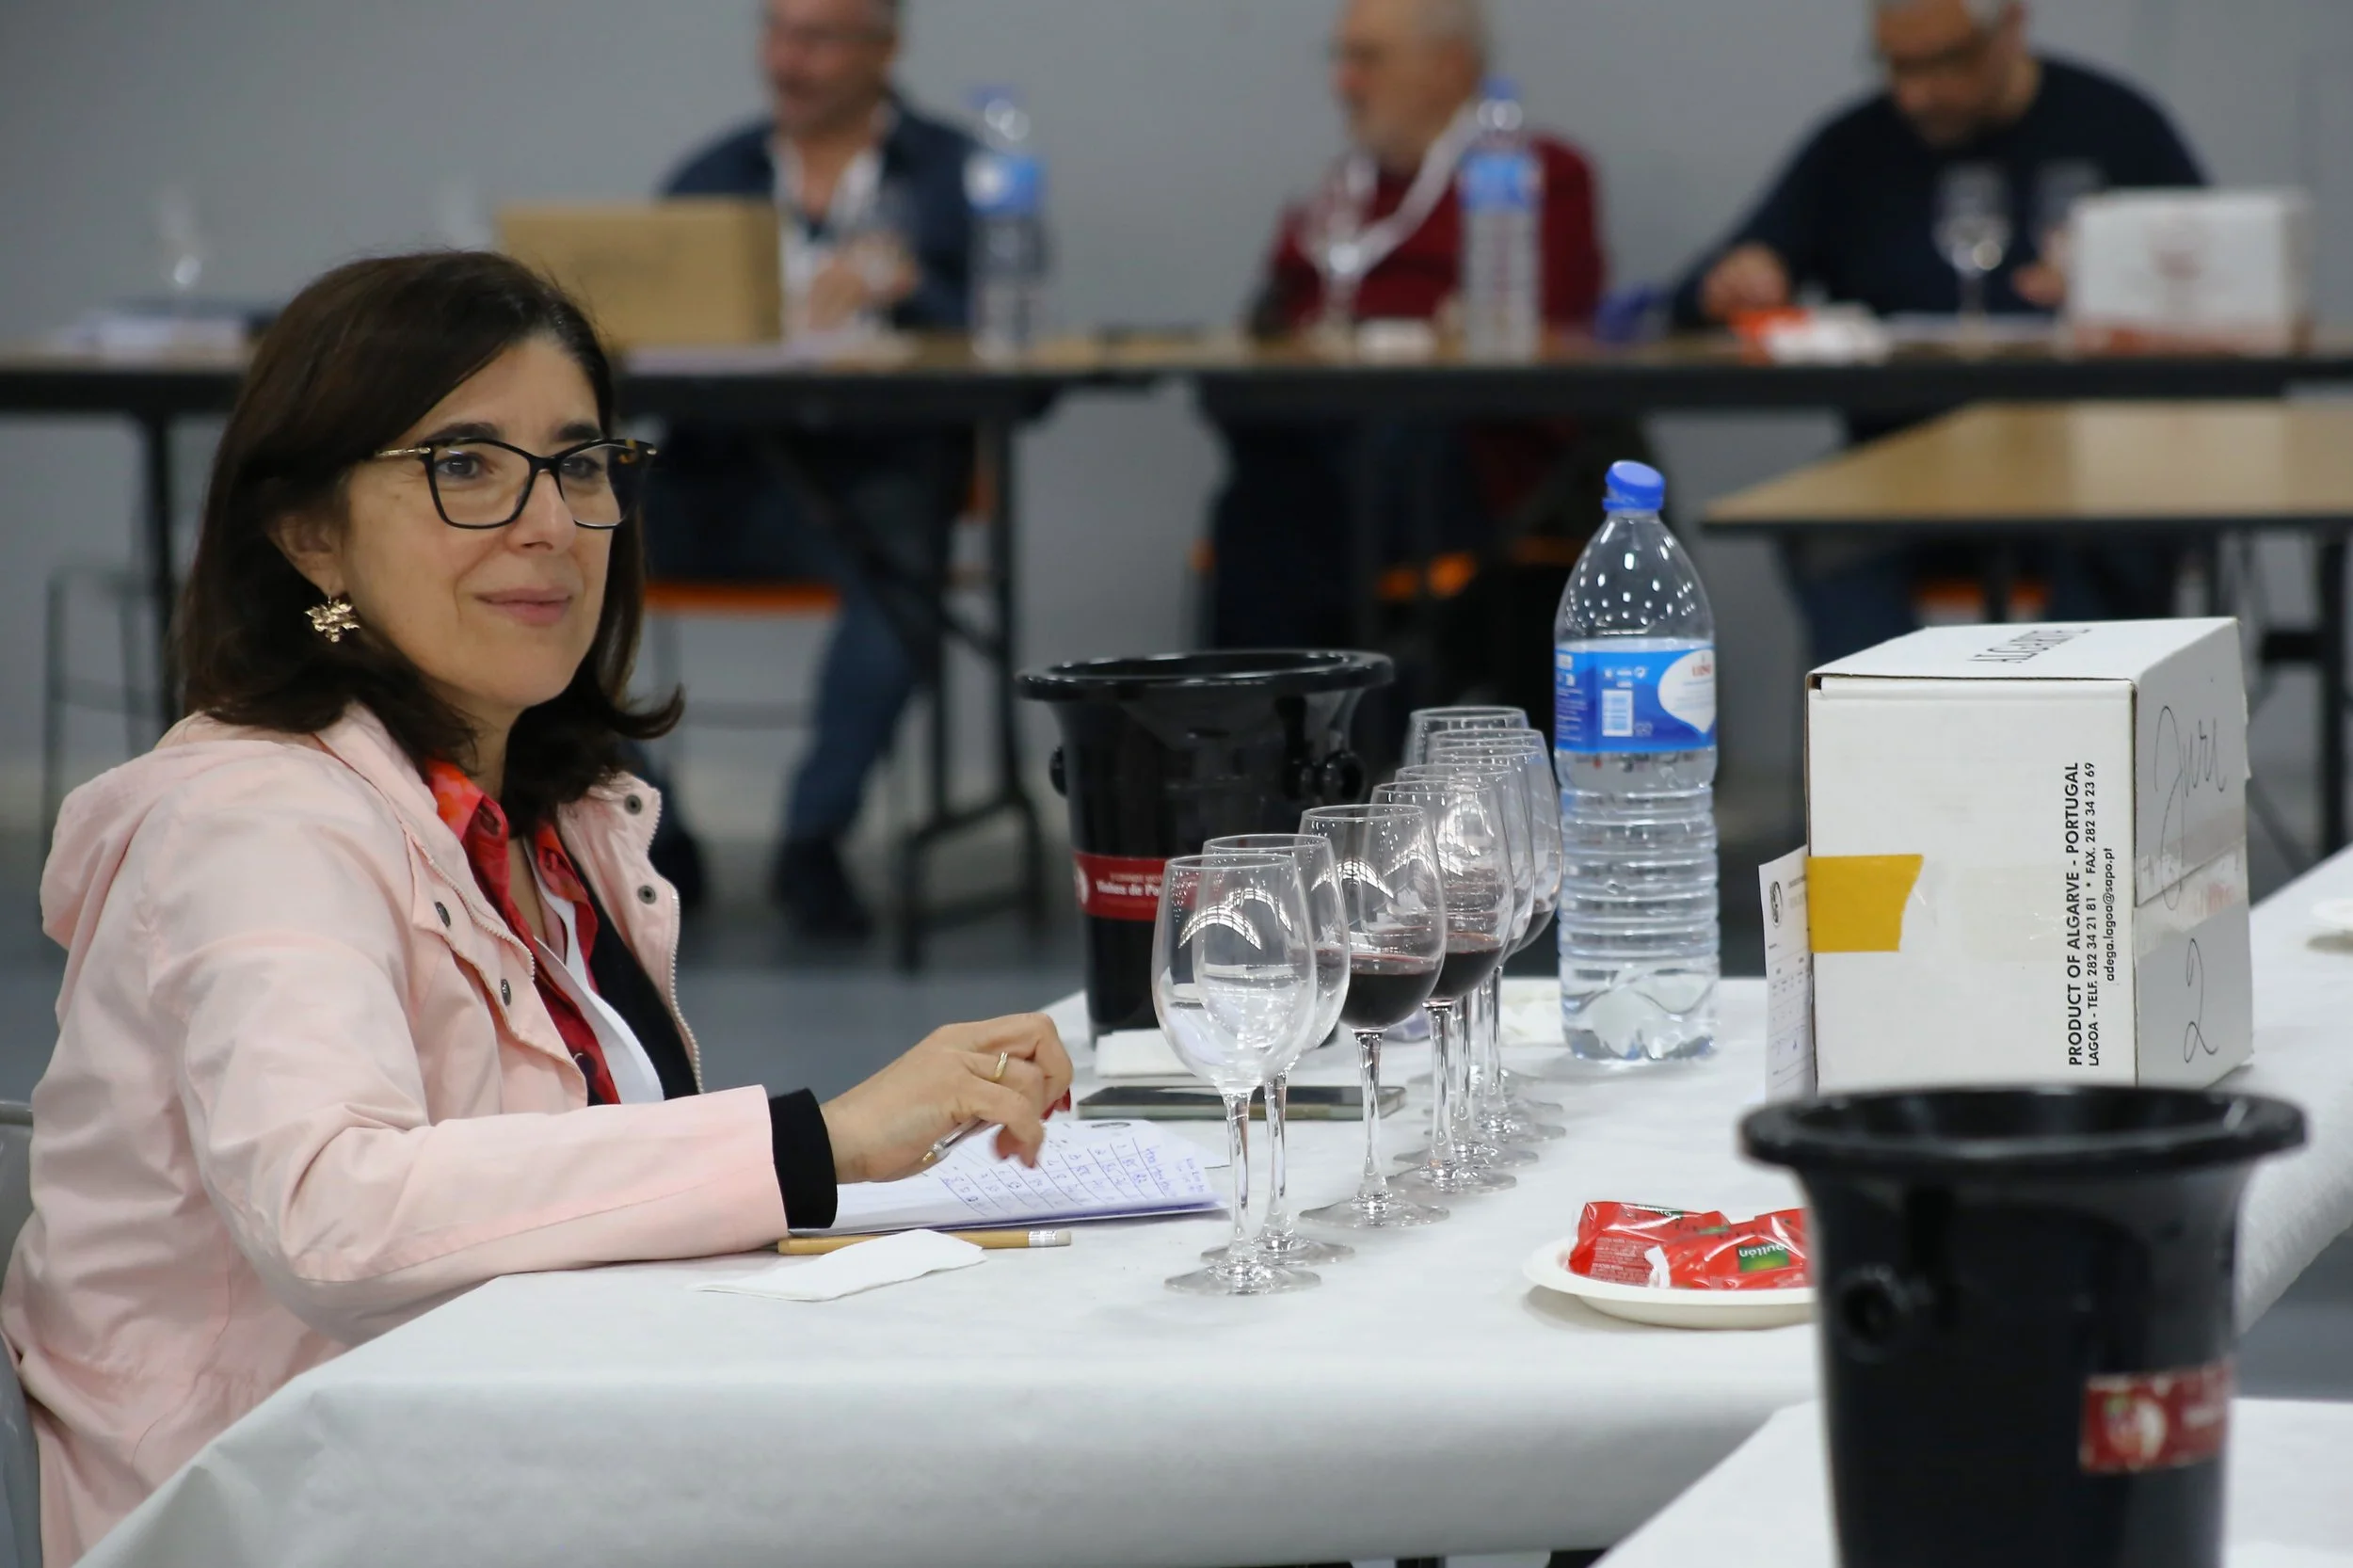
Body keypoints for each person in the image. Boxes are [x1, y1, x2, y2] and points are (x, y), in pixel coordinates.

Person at [0, 251, 1071, 1566]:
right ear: (308, 531)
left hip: (521, 1456)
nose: (549, 522)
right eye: (465, 465)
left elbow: (578, 1203)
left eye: (578, 464)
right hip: (294, 1509)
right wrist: (814, 1143)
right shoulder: (254, 821)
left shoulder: (563, 814)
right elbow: (335, 1211)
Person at [1674, 0, 2207, 663]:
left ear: (2010, 27)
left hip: (2088, 468)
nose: (1916, 93)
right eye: (1896, 66)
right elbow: (1701, 292)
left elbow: (2217, 286)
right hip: (1899, 472)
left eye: (1944, 63)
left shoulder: (2117, 127)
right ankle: (1891, 743)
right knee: (1821, 529)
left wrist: (2122, 291)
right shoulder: (1855, 147)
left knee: (2128, 529)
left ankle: (2065, 754)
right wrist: (1736, 279)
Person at [650, 0, 974, 938]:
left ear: (885, 48)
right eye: (777, 32)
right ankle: (644, 823)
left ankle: (811, 840)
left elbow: (1006, 333)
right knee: (549, 543)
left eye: (819, 37)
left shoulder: (953, 174)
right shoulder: (714, 177)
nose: (789, 61)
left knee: (900, 574)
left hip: (880, 472)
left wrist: (915, 296)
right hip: (718, 471)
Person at [1210, 0, 1610, 728]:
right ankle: (1257, 764)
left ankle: (1353, 746)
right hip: (1322, 457)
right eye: (1340, 59)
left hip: (1472, 467)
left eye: (1367, 59)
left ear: (1448, 66)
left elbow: (1542, 329)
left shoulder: (1539, 173)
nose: (1344, 83)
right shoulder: (1344, 190)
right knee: (1255, 494)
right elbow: (1276, 312)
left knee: (1375, 460)